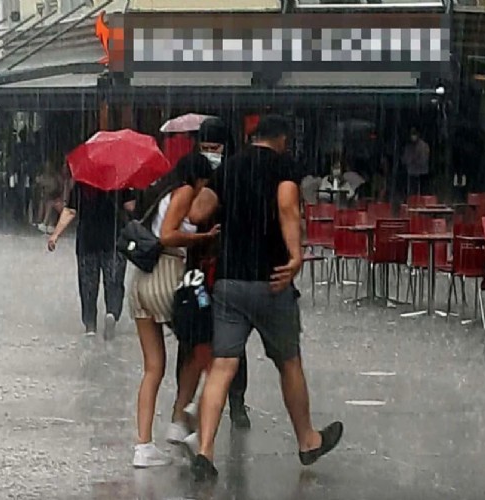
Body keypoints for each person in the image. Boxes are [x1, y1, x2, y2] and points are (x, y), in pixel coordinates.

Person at [187, 114, 343, 480]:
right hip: (271, 281)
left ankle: (206, 453)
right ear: (283, 139)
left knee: (223, 365)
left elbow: (197, 212)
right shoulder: (282, 166)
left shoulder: (229, 167)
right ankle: (307, 441)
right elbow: (288, 205)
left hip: (229, 282)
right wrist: (295, 255)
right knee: (288, 361)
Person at [129, 152, 219, 468]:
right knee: (205, 344)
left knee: (153, 367)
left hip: (140, 282)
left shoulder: (159, 193)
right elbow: (168, 235)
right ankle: (187, 416)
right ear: (198, 177)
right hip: (167, 274)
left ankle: (143, 447)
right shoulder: (183, 192)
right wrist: (204, 237)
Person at [174, 118, 251, 431]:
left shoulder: (235, 174)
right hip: (196, 267)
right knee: (193, 332)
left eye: (214, 148)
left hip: (228, 266)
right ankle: (186, 400)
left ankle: (236, 401)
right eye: (204, 148)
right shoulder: (191, 171)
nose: (210, 154)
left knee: (231, 339)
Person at [48, 182, 135, 337]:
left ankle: (90, 326)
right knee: (114, 281)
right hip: (114, 240)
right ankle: (112, 313)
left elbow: (70, 211)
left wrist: (55, 235)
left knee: (88, 284)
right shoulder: (119, 181)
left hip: (87, 240)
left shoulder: (82, 185)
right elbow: (131, 207)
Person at [402, 126, 430, 196]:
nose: (413, 136)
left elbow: (424, 160)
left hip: (422, 173)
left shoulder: (424, 146)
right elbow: (405, 159)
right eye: (412, 134)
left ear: (418, 134)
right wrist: (410, 160)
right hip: (411, 173)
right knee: (412, 193)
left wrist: (415, 160)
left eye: (414, 134)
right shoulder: (408, 147)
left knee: (423, 193)